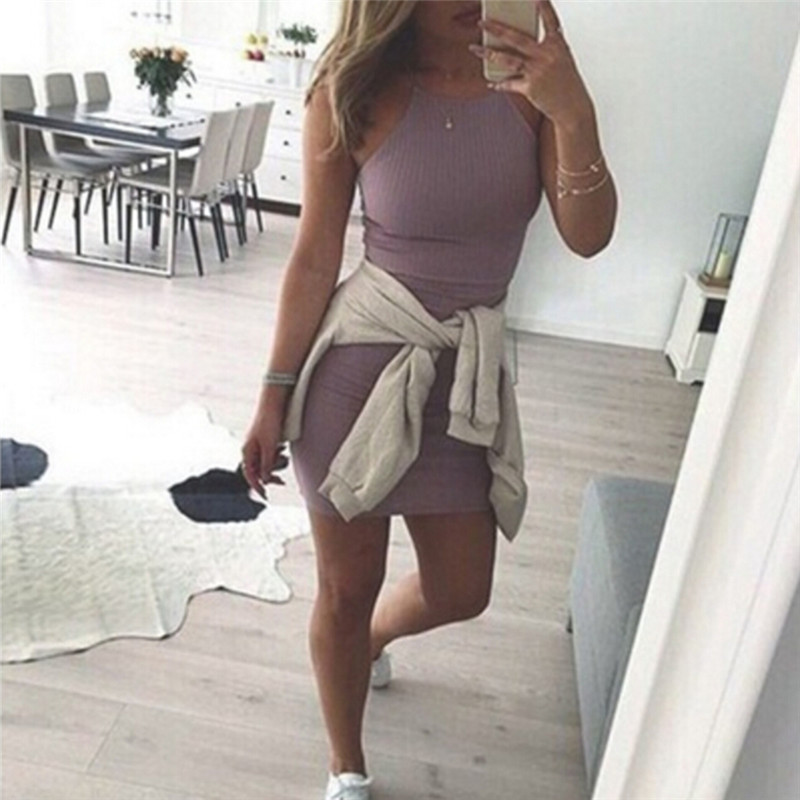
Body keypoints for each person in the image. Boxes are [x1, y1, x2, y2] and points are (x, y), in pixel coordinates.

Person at [240, 2, 616, 798]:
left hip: (463, 387)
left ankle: (373, 640)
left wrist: (574, 110)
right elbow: (314, 257)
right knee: (345, 591)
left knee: (462, 590)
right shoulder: (349, 88)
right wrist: (273, 394)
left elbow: (589, 237)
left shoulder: (531, 89)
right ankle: (346, 765)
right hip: (356, 378)